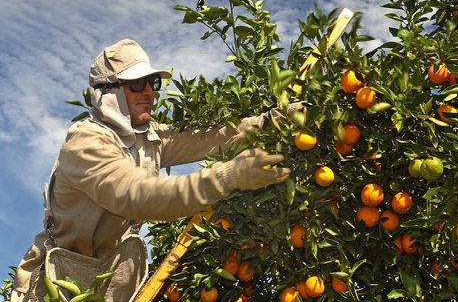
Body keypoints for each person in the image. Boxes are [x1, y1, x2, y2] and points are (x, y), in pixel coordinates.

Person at [11, 39, 291, 301]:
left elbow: (212, 137)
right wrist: (226, 177)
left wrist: (274, 120)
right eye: (137, 84)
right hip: (55, 285)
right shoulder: (85, 143)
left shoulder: (149, 138)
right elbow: (138, 195)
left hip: (107, 280)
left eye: (152, 82)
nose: (149, 92)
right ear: (109, 92)